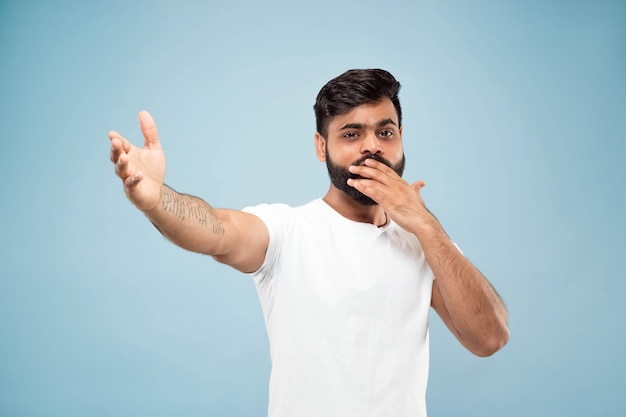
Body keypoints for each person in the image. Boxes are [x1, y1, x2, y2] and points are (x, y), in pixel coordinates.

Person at [108, 68, 509, 417]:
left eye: (384, 132)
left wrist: (424, 224)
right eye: (352, 134)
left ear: (401, 138)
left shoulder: (425, 242)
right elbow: (218, 230)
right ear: (322, 147)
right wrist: (156, 199)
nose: (372, 146)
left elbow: (489, 338)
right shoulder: (287, 230)